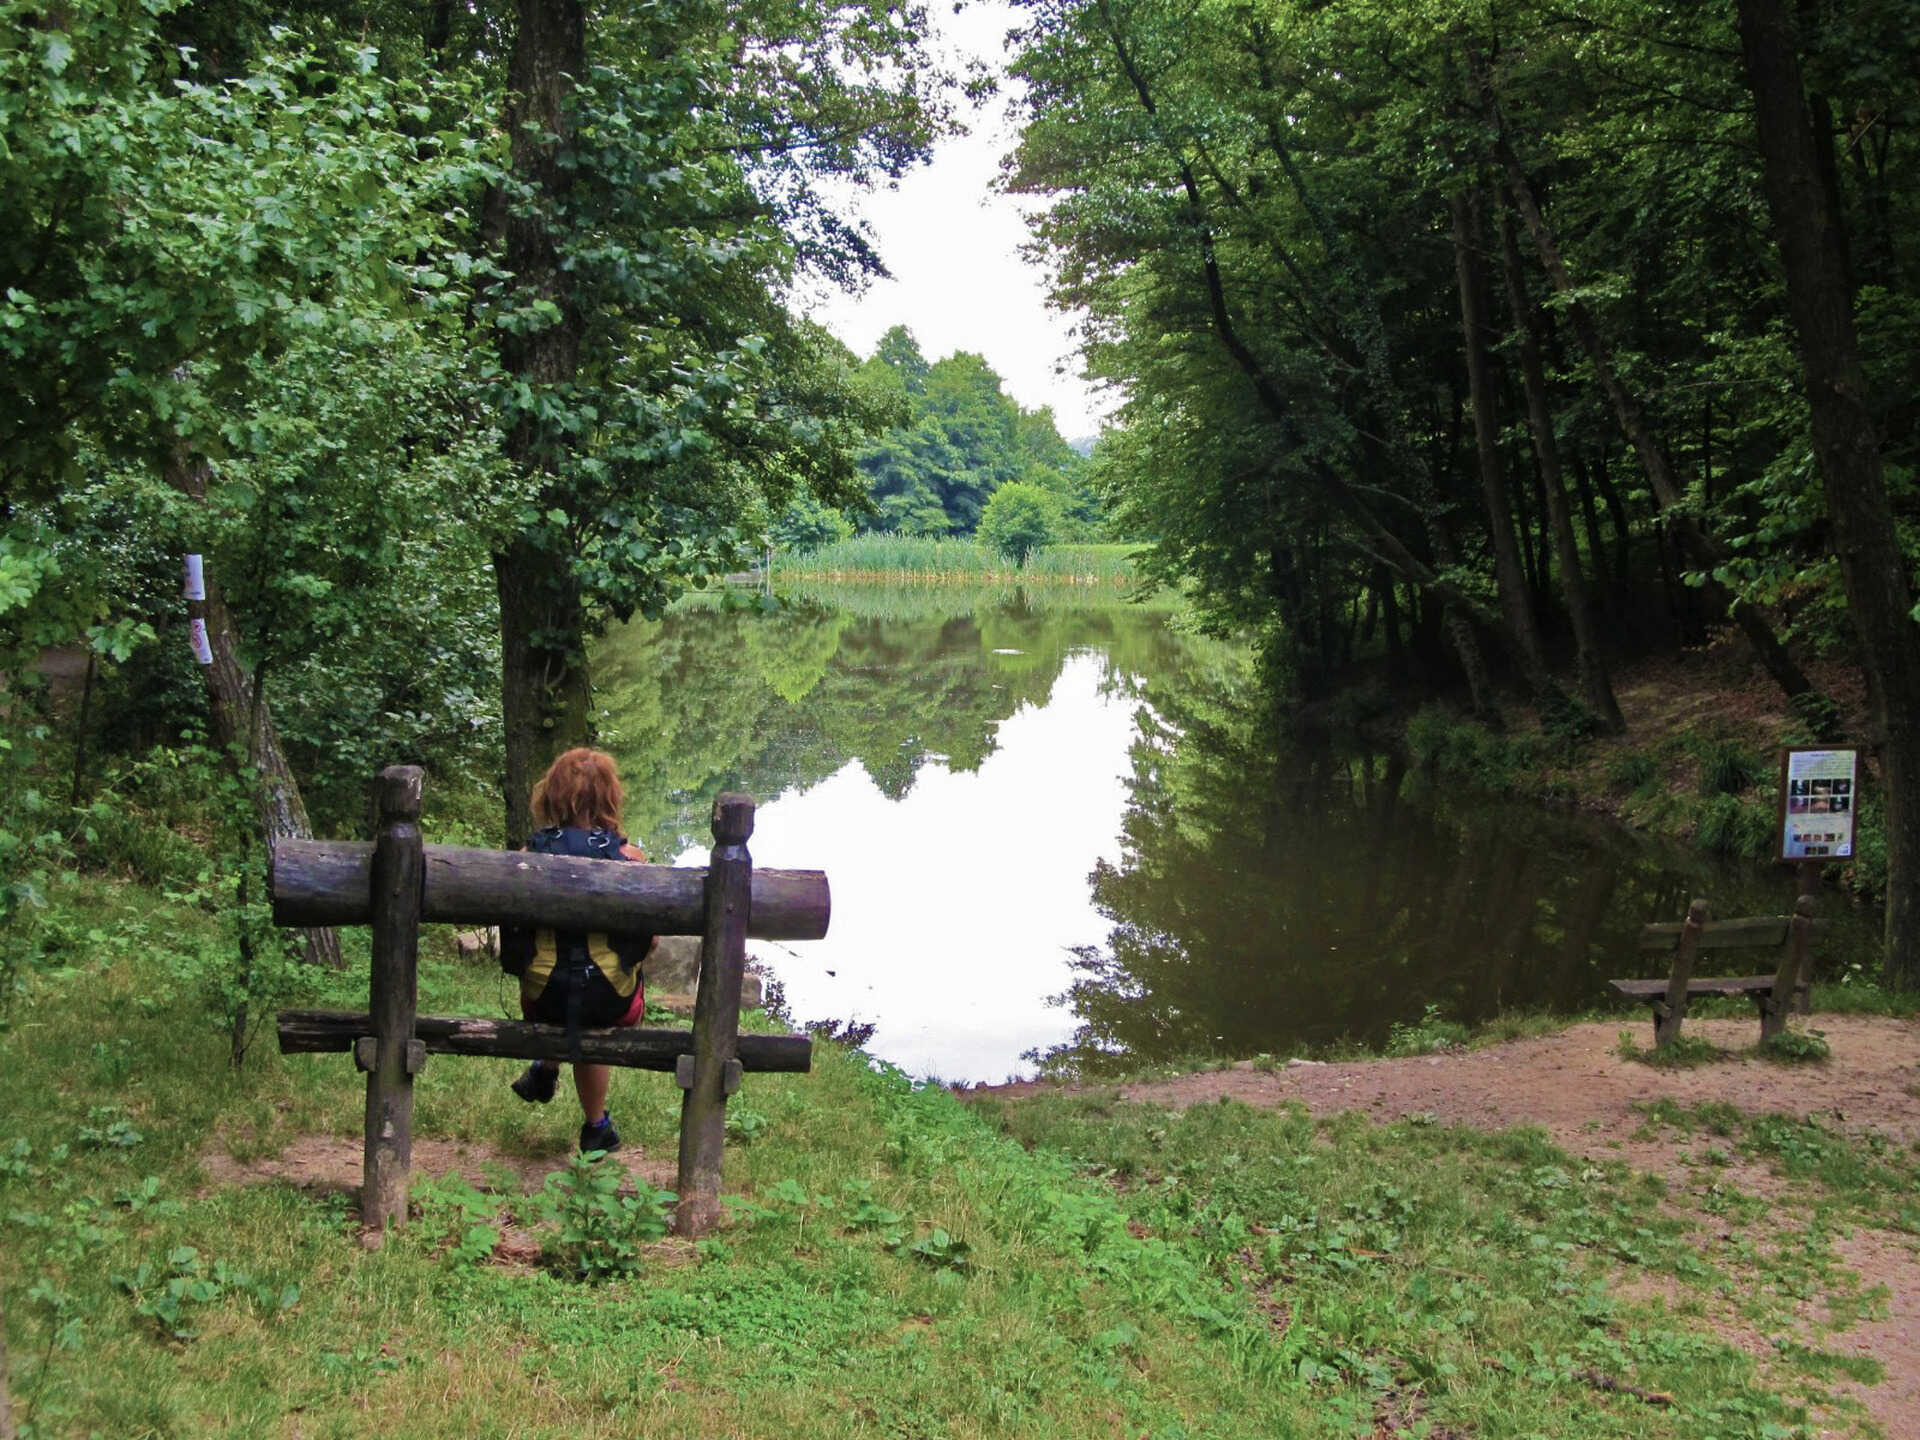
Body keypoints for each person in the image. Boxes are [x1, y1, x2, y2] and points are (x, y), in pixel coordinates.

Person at [501, 747, 655, 1154]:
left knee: (565, 988)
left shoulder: (527, 857)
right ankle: (595, 1126)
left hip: (542, 998)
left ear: (551, 795)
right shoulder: (630, 861)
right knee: (592, 1003)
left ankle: (545, 1069)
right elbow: (650, 941)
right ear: (609, 796)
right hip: (610, 1001)